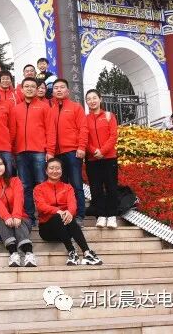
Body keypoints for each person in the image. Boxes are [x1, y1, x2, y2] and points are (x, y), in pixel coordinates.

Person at [34, 158, 102, 266]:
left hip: (66, 227)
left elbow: (72, 204)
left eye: (58, 168)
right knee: (58, 216)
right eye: (51, 168)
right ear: (46, 171)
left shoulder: (68, 187)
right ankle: (72, 251)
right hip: (47, 230)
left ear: (62, 171)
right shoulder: (39, 188)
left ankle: (87, 253)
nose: (55, 171)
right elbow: (41, 206)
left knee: (68, 217)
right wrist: (58, 211)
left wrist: (69, 212)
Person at [47, 79, 88, 225]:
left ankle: (80, 215)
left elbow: (83, 128)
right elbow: (50, 132)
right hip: (57, 154)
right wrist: (50, 151)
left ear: (68, 91)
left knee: (76, 185)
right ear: (53, 91)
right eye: (56, 88)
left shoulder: (76, 107)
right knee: (61, 186)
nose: (59, 90)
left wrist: (81, 147)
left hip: (73, 151)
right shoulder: (51, 109)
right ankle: (65, 214)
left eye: (62, 87)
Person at [0, 154, 35, 267]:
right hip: (2, 222)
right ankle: (13, 253)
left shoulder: (15, 181)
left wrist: (16, 215)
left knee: (20, 222)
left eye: (0, 164)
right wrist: (7, 217)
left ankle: (29, 254)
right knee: (3, 221)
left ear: (5, 166)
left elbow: (19, 198)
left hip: (22, 218)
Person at [11, 77, 51, 224]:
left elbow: (50, 130)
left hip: (39, 151)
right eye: (26, 86)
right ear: (21, 89)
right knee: (25, 185)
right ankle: (29, 216)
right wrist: (13, 151)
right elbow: (13, 132)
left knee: (41, 183)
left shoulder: (44, 107)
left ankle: (45, 216)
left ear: (36, 89)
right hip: (21, 152)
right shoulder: (16, 109)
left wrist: (49, 150)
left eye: (32, 86)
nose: (29, 89)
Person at [85, 89, 120, 229]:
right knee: (96, 188)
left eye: (94, 98)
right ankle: (100, 215)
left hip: (109, 158)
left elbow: (113, 136)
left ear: (100, 99)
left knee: (111, 186)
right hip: (92, 159)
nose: (92, 101)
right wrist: (94, 151)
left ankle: (112, 215)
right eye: (89, 99)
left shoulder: (109, 116)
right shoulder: (85, 119)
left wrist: (103, 151)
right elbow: (84, 138)